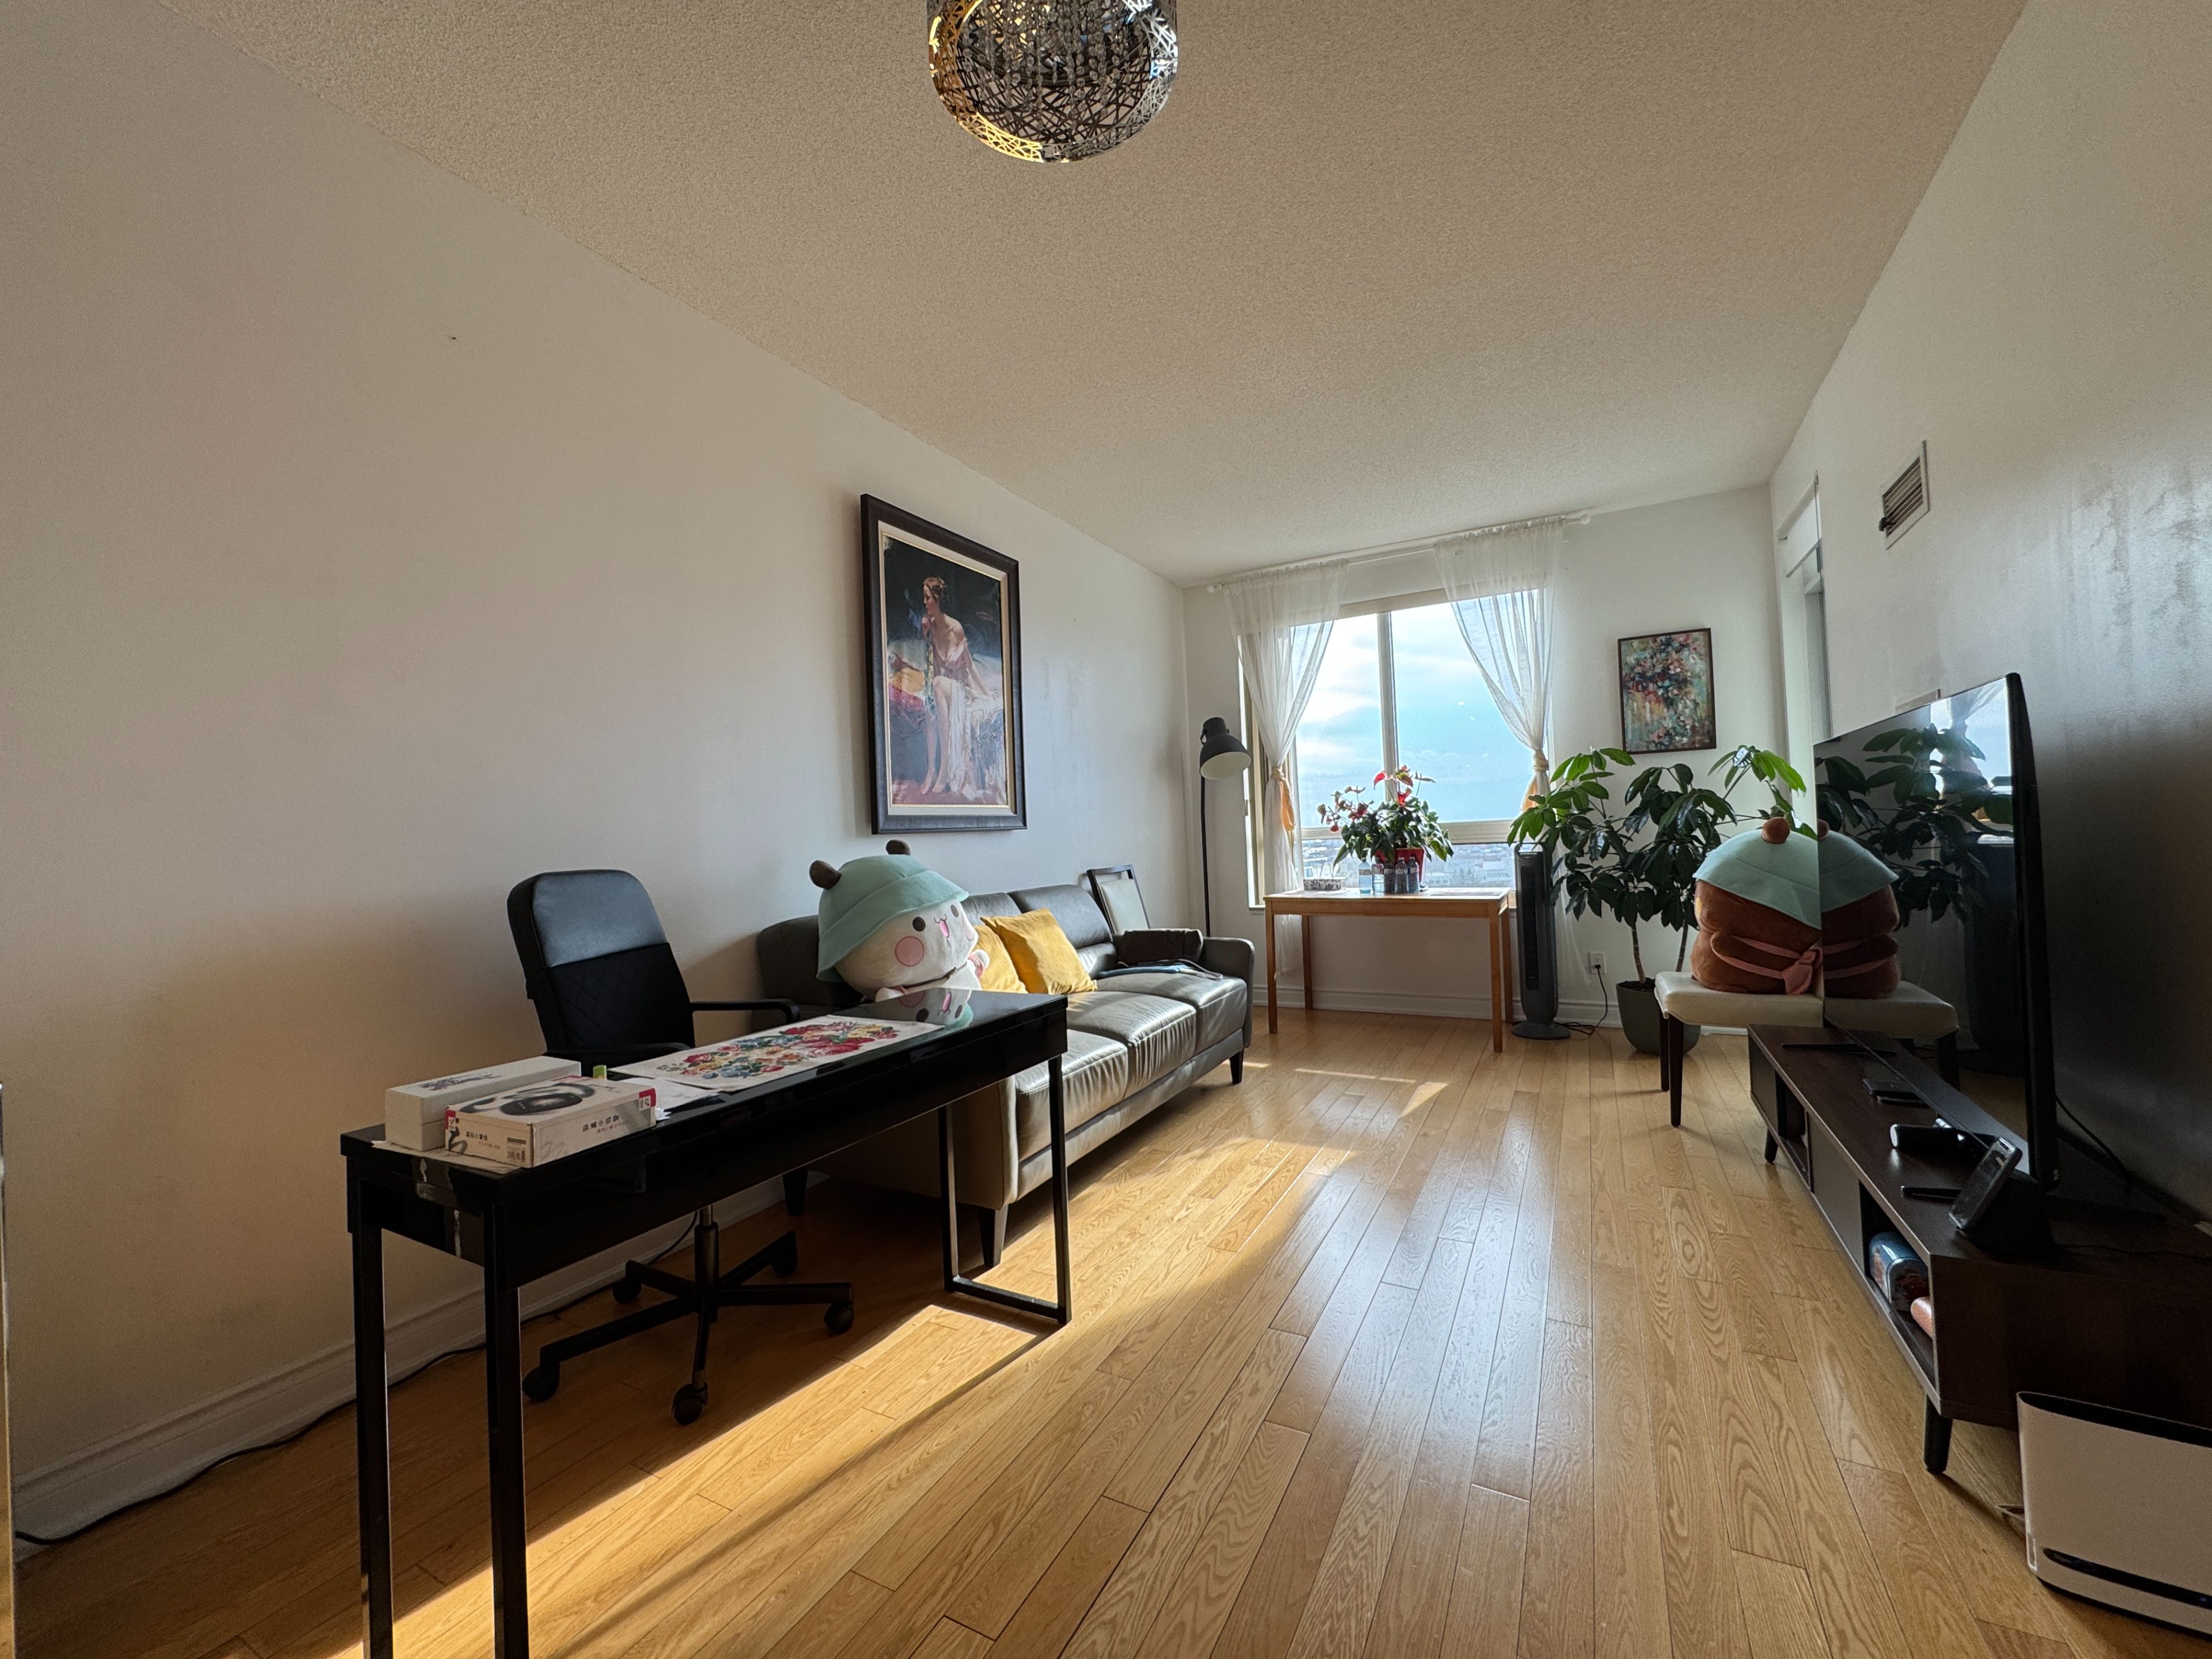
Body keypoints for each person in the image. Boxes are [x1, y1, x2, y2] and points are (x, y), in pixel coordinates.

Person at [920, 575, 989, 799]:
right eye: (924, 597)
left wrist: (985, 693)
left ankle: (945, 768)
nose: (925, 602)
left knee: (939, 685)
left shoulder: (955, 628)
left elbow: (969, 666)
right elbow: (932, 666)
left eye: (928, 597)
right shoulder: (931, 628)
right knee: (929, 710)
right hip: (943, 689)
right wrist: (925, 635)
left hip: (961, 689)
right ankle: (931, 770)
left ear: (938, 599)